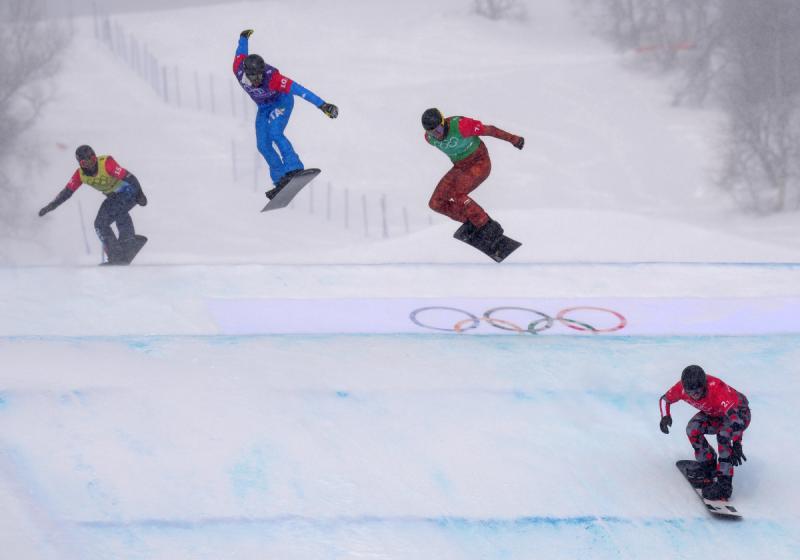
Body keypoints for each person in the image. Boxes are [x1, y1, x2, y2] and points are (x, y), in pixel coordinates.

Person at [234, 29, 338, 199]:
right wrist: (243, 37)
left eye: (259, 76)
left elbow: (299, 89)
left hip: (281, 102)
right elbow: (240, 52)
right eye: (253, 77)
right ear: (246, 73)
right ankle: (280, 179)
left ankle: (294, 167)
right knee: (262, 145)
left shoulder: (273, 78)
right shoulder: (238, 69)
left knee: (275, 132)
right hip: (264, 108)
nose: (256, 81)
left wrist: (323, 105)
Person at [421, 107, 524, 249]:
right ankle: (471, 222)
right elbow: (434, 136)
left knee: (457, 194)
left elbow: (490, 130)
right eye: (432, 132)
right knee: (435, 203)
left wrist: (514, 139)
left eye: (438, 129)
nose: (437, 135)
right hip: (460, 167)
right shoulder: (429, 139)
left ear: (444, 122)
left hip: (480, 162)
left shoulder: (461, 125)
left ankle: (489, 227)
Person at [38, 145, 148, 263]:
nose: (91, 165)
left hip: (129, 192)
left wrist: (140, 194)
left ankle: (124, 245)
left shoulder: (106, 163)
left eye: (92, 160)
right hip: (113, 197)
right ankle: (121, 248)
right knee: (100, 223)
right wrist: (51, 206)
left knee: (116, 210)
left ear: (95, 157)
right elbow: (66, 192)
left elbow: (129, 177)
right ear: (80, 163)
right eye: (86, 163)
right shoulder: (80, 175)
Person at [659, 365, 751, 500]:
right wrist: (665, 416)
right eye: (691, 390)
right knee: (692, 429)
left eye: (699, 389)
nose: (695, 394)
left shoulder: (717, 390)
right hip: (716, 414)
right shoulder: (680, 389)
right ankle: (709, 465)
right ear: (685, 388)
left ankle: (725, 485)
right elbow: (664, 399)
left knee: (724, 436)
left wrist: (737, 443)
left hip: (740, 414)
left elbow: (736, 420)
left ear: (705, 385)